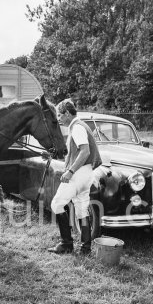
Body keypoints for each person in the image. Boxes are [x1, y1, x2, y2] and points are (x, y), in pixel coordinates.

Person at [48, 99, 101, 255]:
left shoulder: (76, 127)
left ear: (67, 113)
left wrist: (70, 171)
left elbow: (85, 152)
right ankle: (85, 249)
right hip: (87, 174)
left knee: (56, 204)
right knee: (81, 210)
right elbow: (78, 153)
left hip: (78, 175)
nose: (58, 118)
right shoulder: (83, 125)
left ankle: (66, 243)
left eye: (59, 115)